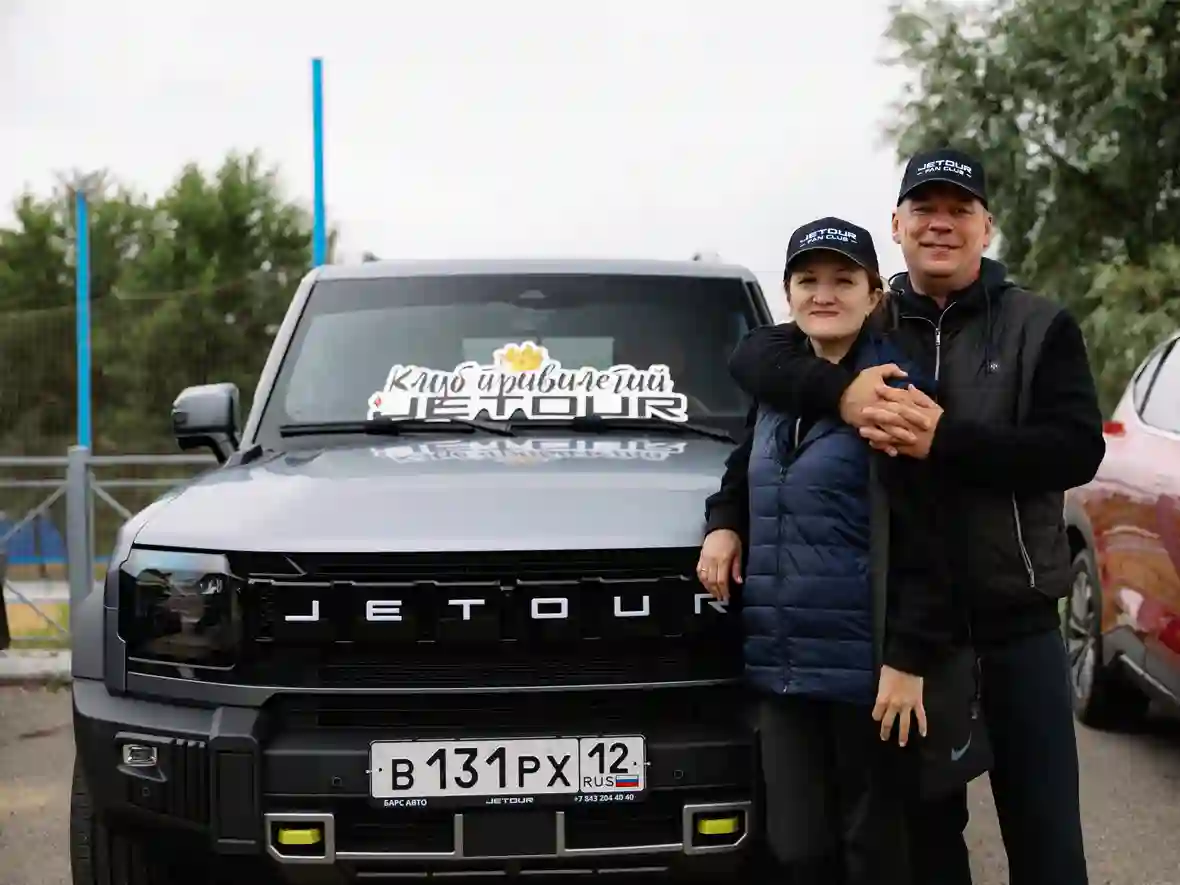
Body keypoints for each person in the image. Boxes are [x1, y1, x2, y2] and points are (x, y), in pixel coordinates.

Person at [718, 148, 1105, 885]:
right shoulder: (869, 314)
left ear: (986, 225)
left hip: (1013, 623)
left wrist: (945, 440)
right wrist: (837, 399)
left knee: (1047, 843)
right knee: (926, 846)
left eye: (960, 210)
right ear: (896, 226)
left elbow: (1075, 450)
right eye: (924, 209)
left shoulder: (1038, 325)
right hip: (913, 636)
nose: (940, 224)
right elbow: (754, 360)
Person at [698, 216, 963, 885]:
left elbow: (932, 537)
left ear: (873, 295)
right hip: (782, 667)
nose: (823, 294)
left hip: (865, 676)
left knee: (872, 852)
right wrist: (724, 522)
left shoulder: (896, 393)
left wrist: (907, 659)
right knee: (795, 848)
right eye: (808, 280)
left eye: (843, 280)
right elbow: (743, 470)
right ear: (788, 294)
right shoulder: (777, 390)